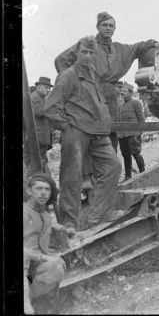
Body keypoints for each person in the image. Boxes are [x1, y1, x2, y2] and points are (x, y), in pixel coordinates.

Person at [45, 35, 122, 230]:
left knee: (112, 167)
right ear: (76, 53)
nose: (88, 56)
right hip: (78, 132)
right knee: (72, 177)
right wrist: (67, 128)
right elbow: (51, 108)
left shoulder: (93, 75)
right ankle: (69, 222)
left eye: (91, 53)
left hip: (98, 132)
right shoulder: (68, 75)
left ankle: (98, 213)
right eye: (84, 52)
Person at [54, 11, 159, 151]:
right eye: (104, 25)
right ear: (98, 27)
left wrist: (154, 43)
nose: (108, 28)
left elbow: (138, 47)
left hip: (110, 98)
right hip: (91, 95)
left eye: (111, 25)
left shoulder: (120, 49)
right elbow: (61, 61)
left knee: (111, 134)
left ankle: (109, 169)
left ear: (115, 29)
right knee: (90, 133)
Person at [23, 173, 73, 314]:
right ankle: (27, 302)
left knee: (58, 265)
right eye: (39, 188)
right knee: (52, 266)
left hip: (35, 263)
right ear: (29, 191)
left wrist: (65, 231)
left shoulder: (43, 213)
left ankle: (41, 301)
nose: (43, 193)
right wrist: (44, 258)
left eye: (47, 189)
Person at [24, 76, 55, 174]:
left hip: (41, 137)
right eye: (46, 87)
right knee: (35, 163)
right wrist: (50, 102)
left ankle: (40, 180)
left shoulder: (41, 98)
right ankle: (31, 182)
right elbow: (39, 112)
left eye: (49, 88)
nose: (48, 90)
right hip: (37, 138)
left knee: (40, 162)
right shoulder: (35, 97)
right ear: (39, 87)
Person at [117, 83, 146, 180]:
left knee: (136, 153)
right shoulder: (120, 105)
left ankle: (144, 174)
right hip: (122, 135)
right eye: (121, 91)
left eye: (124, 91)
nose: (122, 93)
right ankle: (128, 177)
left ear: (130, 93)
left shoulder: (136, 103)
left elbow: (141, 119)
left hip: (133, 134)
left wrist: (140, 133)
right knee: (126, 156)